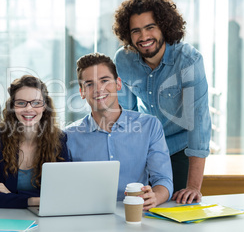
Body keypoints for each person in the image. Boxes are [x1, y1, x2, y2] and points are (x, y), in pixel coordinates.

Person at [113, 0, 211, 204]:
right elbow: (126, 116)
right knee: (136, 205)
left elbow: (199, 124)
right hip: (147, 146)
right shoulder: (123, 59)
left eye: (150, 27)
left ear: (164, 27)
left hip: (180, 147)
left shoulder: (188, 61)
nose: (144, 37)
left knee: (176, 205)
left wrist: (193, 187)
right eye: (136, 31)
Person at [65, 53, 173, 211]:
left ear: (118, 84)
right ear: (82, 92)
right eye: (89, 84)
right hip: (88, 216)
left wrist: (155, 197)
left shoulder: (150, 126)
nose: (98, 89)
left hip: (136, 215)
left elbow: (163, 180)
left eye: (104, 80)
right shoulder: (68, 136)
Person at [0, 75, 69, 208]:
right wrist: (34, 200)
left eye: (36, 102)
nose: (29, 109)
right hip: (5, 219)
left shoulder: (59, 139)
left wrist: (10, 193)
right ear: (12, 106)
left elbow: (64, 193)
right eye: (21, 102)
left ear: (45, 106)